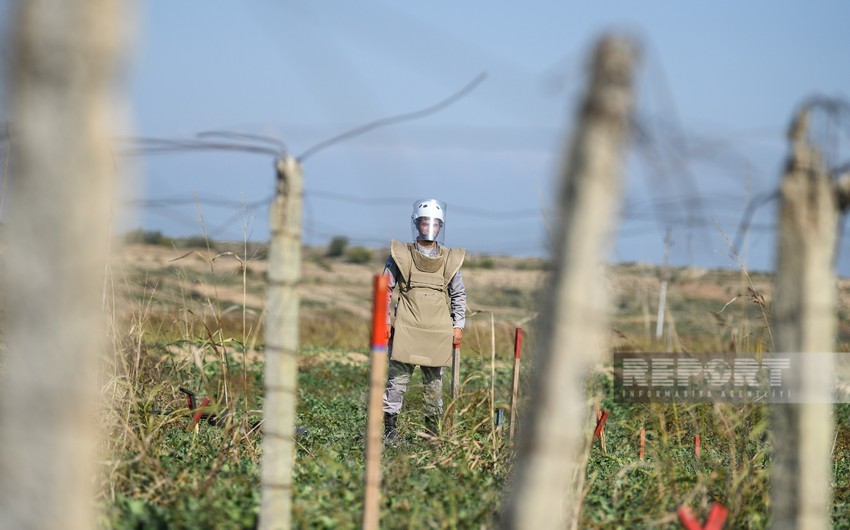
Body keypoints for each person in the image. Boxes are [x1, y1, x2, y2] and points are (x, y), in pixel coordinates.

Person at [382, 199, 467, 444]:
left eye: (434, 223)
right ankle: (390, 435)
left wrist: (458, 325)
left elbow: (459, 294)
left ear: (441, 226)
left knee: (434, 387)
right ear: (416, 224)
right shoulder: (400, 255)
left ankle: (432, 437)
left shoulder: (450, 259)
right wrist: (386, 322)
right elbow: (385, 289)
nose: (429, 227)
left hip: (438, 331)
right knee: (396, 384)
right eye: (424, 222)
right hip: (406, 327)